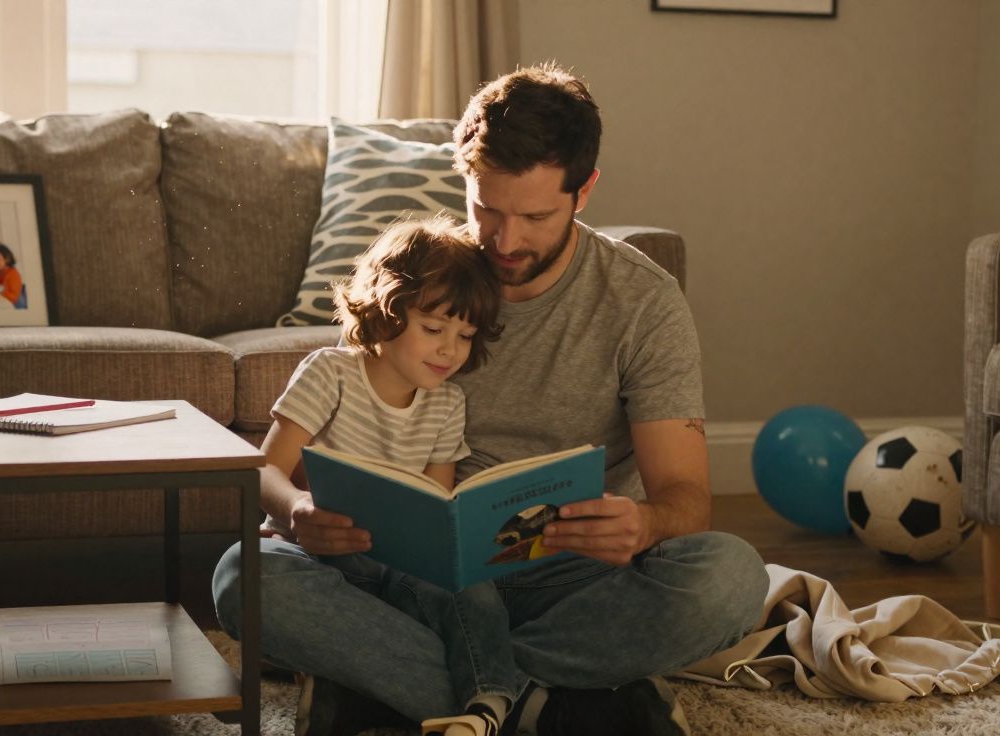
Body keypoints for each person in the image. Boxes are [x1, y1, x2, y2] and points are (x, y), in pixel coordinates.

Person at [213, 63, 769, 736]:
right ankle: (553, 705)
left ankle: (430, 687)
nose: (504, 243)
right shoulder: (429, 279)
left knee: (730, 578)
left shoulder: (642, 303)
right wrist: (303, 515)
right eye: (486, 210)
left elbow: (686, 497)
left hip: (561, 578)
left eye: (535, 216)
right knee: (245, 576)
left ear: (584, 191)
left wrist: (644, 525)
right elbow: (334, 430)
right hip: (406, 572)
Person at [247, 216, 515, 736]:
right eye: (434, 329)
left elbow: (435, 504)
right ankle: (527, 700)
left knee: (474, 594)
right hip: (312, 554)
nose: (449, 350)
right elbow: (263, 472)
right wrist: (298, 510)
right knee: (246, 572)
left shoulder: (447, 402)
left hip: (393, 569)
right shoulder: (330, 372)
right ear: (385, 310)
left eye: (464, 335)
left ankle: (488, 706)